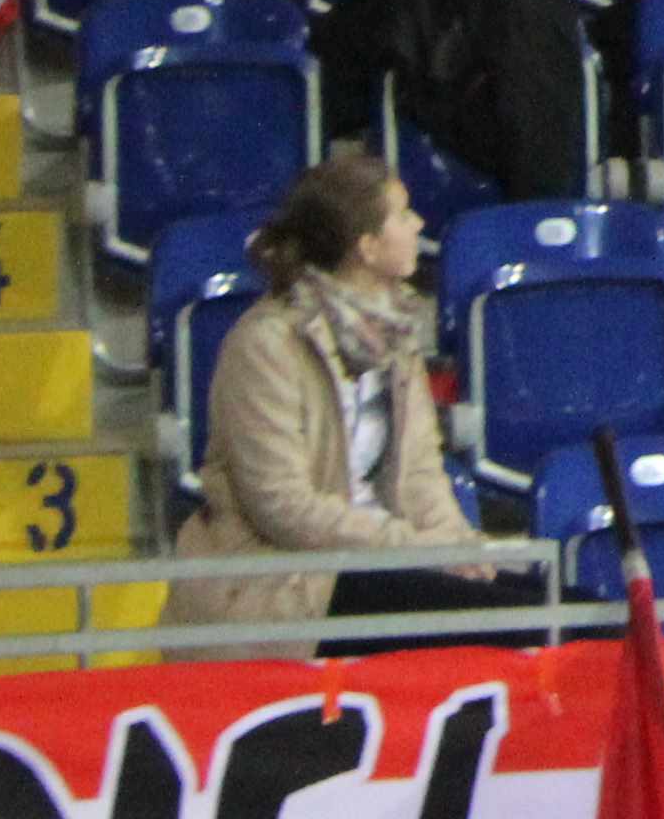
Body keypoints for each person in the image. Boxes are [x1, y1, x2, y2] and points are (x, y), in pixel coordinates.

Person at [164, 155, 519, 638]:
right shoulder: (266, 344)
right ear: (366, 247)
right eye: (403, 214)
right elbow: (283, 507)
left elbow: (419, 472)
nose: (419, 224)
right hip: (288, 580)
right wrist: (416, 550)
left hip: (387, 562)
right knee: (518, 627)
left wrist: (460, 547)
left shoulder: (395, 335)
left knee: (569, 609)